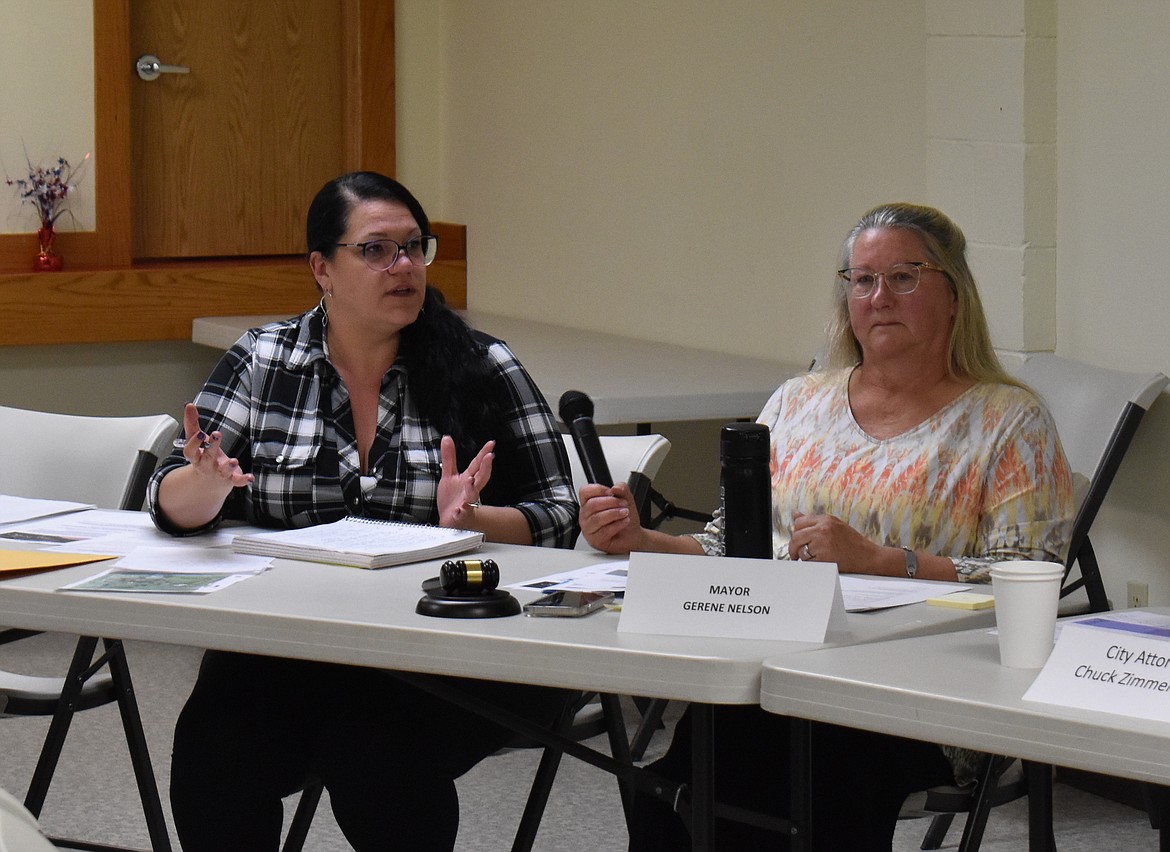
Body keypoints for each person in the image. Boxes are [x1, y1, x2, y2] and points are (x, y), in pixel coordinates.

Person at [579, 202, 1075, 850]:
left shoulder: (1009, 420)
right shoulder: (798, 401)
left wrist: (881, 560)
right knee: (683, 775)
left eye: (904, 276)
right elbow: (733, 546)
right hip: (773, 666)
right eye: (861, 280)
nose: (878, 297)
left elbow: (1033, 578)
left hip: (922, 686)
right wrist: (640, 539)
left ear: (954, 295)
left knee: (805, 769)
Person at [148, 171, 578, 851]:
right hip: (294, 645)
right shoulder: (265, 361)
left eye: (414, 247)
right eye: (376, 250)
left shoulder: (482, 365)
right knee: (213, 747)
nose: (404, 266)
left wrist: (473, 525)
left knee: (376, 752)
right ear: (323, 267)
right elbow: (170, 500)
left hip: (449, 651)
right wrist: (205, 485)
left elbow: (560, 514)